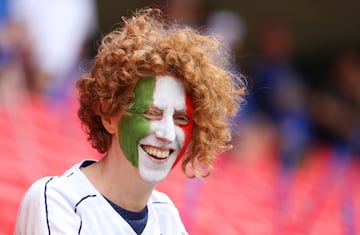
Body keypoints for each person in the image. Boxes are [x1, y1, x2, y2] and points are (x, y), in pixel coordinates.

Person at [14, 8, 245, 234]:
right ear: (108, 116)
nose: (167, 133)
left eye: (180, 118)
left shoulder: (168, 217)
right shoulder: (56, 200)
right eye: (151, 113)